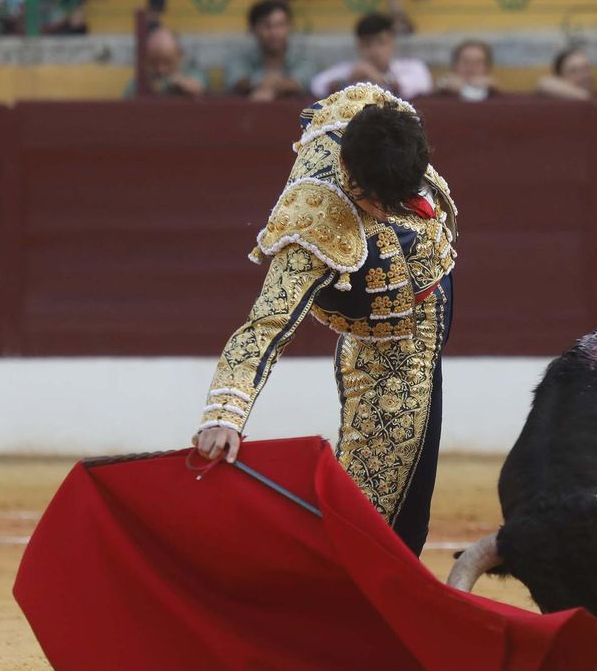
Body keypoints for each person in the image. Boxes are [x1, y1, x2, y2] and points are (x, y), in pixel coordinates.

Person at [194, 84, 459, 556]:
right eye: (384, 203)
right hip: (387, 353)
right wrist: (224, 415)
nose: (398, 210)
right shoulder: (317, 220)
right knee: (380, 519)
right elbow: (265, 326)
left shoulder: (374, 119)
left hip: (431, 299)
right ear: (355, 181)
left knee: (412, 491)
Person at [310, 12, 432, 100]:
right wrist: (347, 80)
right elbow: (317, 84)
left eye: (381, 43)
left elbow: (423, 83)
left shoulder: (411, 67)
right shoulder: (349, 71)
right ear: (359, 46)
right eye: (367, 44)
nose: (374, 51)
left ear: (392, 43)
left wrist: (381, 79)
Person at [225, 0, 317, 101]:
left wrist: (268, 87)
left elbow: (300, 82)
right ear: (252, 28)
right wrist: (263, 85)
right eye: (267, 26)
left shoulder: (304, 56)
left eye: (280, 25)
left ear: (290, 27)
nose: (274, 32)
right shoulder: (240, 56)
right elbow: (237, 81)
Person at [124, 27, 206, 99]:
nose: (160, 70)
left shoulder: (192, 72)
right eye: (153, 63)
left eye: (167, 63)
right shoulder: (138, 83)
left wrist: (180, 83)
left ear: (180, 56)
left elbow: (197, 87)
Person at [433, 40, 498, 102]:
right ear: (455, 65)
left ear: (487, 67)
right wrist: (442, 85)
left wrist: (495, 89)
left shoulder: (494, 92)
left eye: (478, 62)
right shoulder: (443, 88)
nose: (471, 67)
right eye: (465, 61)